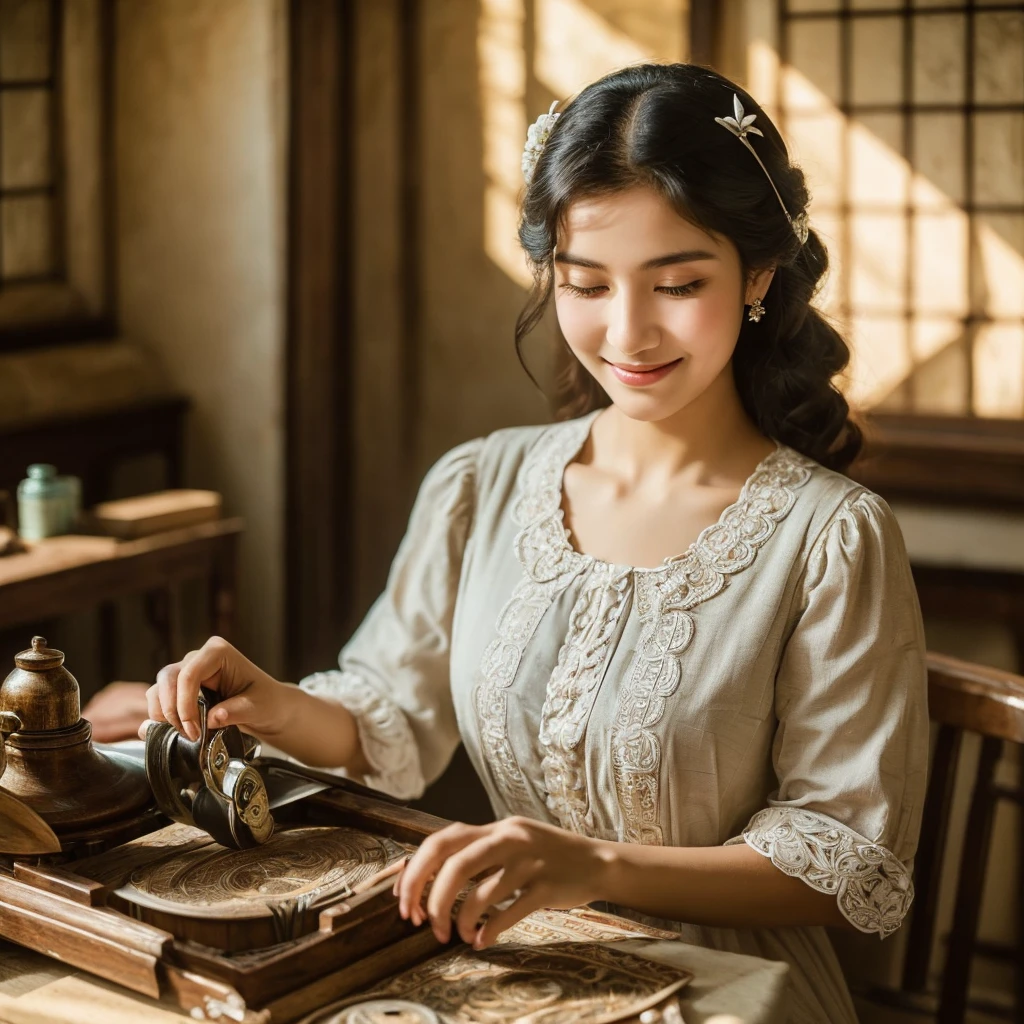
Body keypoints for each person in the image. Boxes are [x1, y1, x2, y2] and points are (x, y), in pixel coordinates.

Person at [142, 63, 929, 1023]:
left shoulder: (831, 538)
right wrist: (271, 704)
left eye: (678, 283)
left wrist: (590, 866)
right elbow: (392, 709)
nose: (628, 332)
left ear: (760, 273)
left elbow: (838, 859)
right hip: (514, 967)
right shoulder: (485, 485)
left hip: (731, 991)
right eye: (586, 284)